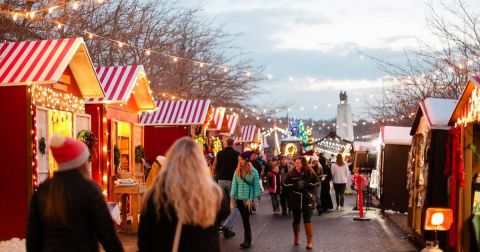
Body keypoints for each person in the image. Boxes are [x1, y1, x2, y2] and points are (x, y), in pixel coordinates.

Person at [26, 134, 123, 251]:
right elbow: (108, 236)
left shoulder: (42, 191)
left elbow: (33, 239)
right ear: (81, 163)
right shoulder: (90, 190)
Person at [138, 137, 229, 252]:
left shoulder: (156, 195)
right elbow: (224, 213)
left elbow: (144, 241)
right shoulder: (214, 194)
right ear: (200, 162)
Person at [283, 156, 319, 250]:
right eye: (296, 162)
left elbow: (316, 183)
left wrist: (306, 184)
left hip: (306, 198)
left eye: (298, 162)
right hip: (295, 199)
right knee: (296, 219)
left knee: (307, 219)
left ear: (303, 163)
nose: (296, 164)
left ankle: (309, 241)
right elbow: (285, 184)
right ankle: (296, 237)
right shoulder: (291, 173)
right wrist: (295, 185)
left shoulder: (309, 172)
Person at [230, 152, 261, 249]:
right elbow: (234, 185)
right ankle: (247, 240)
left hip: (248, 199)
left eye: (242, 159)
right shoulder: (237, 171)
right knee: (244, 219)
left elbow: (256, 186)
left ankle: (247, 240)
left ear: (247, 160)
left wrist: (254, 199)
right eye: (239, 160)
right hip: (239, 199)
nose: (240, 161)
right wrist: (232, 198)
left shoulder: (254, 172)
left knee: (245, 218)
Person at [212, 138, 239, 239]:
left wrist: (215, 177)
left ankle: (223, 226)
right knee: (235, 206)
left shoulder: (219, 153)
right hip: (233, 181)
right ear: (233, 144)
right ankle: (227, 226)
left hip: (221, 181)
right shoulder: (237, 154)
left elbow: (214, 167)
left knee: (223, 204)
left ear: (225, 143)